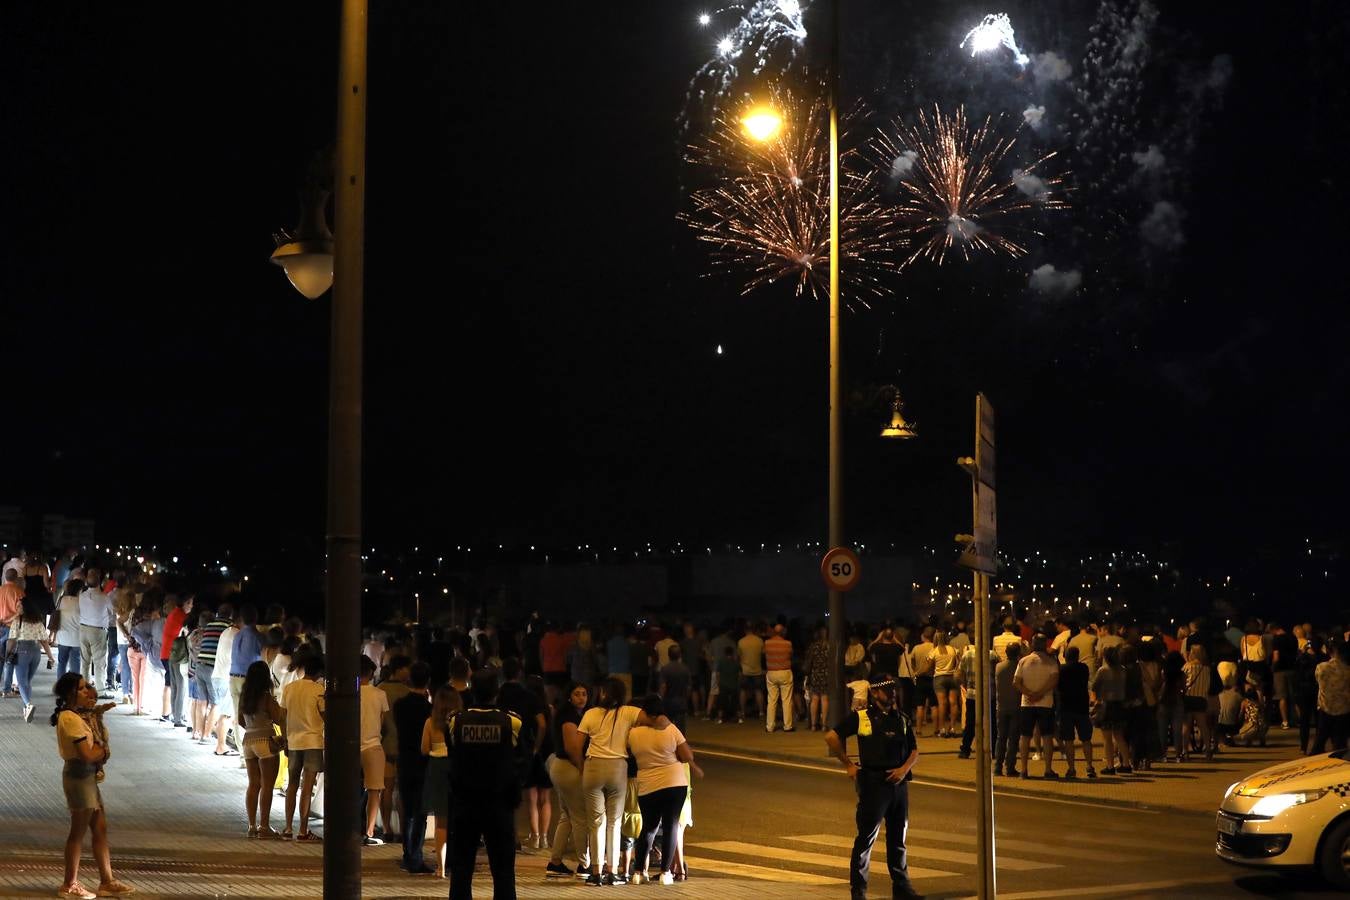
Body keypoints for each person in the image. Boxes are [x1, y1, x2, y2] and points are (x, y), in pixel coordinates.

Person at [824, 673, 923, 900]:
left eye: (894, 690)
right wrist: (849, 764)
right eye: (887, 691)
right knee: (866, 839)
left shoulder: (902, 718)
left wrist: (904, 770)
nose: (892, 694)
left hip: (898, 785)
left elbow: (914, 751)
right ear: (875, 693)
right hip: (873, 784)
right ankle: (858, 892)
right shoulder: (862, 717)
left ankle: (902, 890)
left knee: (898, 840)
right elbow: (831, 737)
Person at [51, 673, 134, 899]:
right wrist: (103, 751)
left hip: (87, 778)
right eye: (81, 688)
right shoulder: (69, 718)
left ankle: (107, 880)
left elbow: (95, 749)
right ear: (70, 694)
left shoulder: (81, 715)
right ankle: (69, 884)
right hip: (78, 777)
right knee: (77, 832)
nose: (87, 691)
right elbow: (87, 754)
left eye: (87, 686)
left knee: (99, 828)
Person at [448, 669, 524, 900]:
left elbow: (453, 758)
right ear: (497, 692)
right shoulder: (512, 721)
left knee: (461, 870)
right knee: (503, 872)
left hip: (465, 803)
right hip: (499, 804)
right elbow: (520, 761)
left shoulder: (455, 721)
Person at [570, 676, 645, 886]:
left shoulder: (591, 713)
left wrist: (581, 766)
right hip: (617, 767)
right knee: (614, 822)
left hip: (593, 766)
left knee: (596, 822)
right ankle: (612, 872)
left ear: (603, 693)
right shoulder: (629, 712)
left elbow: (577, 744)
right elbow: (649, 719)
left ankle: (596, 872)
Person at [627, 694, 703, 886]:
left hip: (647, 785)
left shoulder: (634, 733)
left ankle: (638, 872)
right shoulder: (671, 729)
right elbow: (686, 755)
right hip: (674, 784)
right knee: (671, 826)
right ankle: (665, 873)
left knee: (649, 827)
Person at [545, 681, 591, 878]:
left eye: (584, 694)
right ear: (569, 696)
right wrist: (582, 768)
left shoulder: (572, 714)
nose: (581, 697)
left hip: (560, 767)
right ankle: (585, 864)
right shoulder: (569, 716)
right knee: (580, 818)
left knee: (567, 816)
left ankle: (555, 862)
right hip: (568, 767)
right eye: (577, 694)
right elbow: (572, 747)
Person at [393, 661, 435, 874]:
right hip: (423, 762)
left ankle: (408, 854)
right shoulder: (430, 709)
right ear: (427, 682)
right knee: (420, 813)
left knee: (407, 810)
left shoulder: (399, 705)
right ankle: (415, 856)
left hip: (404, 760)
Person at [237, 659, 286, 838]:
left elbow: (240, 720)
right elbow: (279, 717)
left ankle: (251, 826)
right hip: (265, 741)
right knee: (267, 785)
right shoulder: (266, 697)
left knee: (253, 785)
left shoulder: (245, 697)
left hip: (248, 741)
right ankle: (264, 827)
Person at [281, 648, 325, 841]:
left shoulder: (290, 688)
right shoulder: (318, 690)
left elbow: (283, 715)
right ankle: (303, 830)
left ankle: (288, 827)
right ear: (319, 673)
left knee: (292, 785)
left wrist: (285, 738)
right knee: (307, 787)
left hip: (293, 741)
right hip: (313, 741)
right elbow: (325, 715)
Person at [421, 683, 461, 878]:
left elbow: (423, 748)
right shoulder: (460, 721)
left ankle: (441, 867)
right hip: (457, 767)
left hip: (436, 768)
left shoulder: (430, 722)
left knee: (441, 822)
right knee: (459, 818)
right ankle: (459, 862)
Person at [1014, 633, 1059, 779]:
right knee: (1047, 736)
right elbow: (1054, 680)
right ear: (1045, 644)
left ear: (1033, 644)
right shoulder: (1051, 662)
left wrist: (1029, 694)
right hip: (1045, 704)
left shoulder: (1024, 661)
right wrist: (1040, 693)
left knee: (1025, 736)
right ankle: (1047, 769)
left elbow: (1016, 682)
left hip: (1027, 704)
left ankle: (1024, 770)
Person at [358, 654, 391, 845]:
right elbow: (384, 723)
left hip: (351, 747)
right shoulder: (380, 694)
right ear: (371, 673)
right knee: (374, 791)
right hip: (373, 746)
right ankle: (369, 831)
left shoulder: (350, 692)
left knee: (350, 791)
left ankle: (349, 828)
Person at [11, 594, 56, 722]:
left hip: (22, 651)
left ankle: (28, 705)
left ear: (25, 608)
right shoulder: (38, 622)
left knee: (21, 682)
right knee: (27, 682)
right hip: (36, 652)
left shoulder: (17, 621)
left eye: (19, 605)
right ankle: (26, 709)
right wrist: (50, 657)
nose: (17, 607)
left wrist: (8, 652)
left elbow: (12, 640)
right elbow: (44, 641)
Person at [1091, 645, 1132, 774]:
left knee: (1107, 738)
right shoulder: (1123, 670)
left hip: (1106, 705)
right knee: (1119, 737)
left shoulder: (1103, 671)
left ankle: (1110, 766)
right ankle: (1126, 763)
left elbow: (1094, 686)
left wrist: (1095, 700)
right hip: (1120, 704)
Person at [77, 569, 114, 695]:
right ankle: (100, 689)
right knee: (99, 661)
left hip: (83, 629)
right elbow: (112, 612)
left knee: (85, 661)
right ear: (100, 582)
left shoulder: (81, 596)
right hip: (98, 631)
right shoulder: (105, 597)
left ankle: (85, 688)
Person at [993, 643, 1022, 777]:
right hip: (1016, 706)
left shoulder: (999, 666)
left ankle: (997, 767)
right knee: (1013, 739)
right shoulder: (1020, 666)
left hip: (1001, 706)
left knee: (1001, 737)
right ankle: (1010, 767)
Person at [763, 624, 795, 733]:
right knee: (786, 700)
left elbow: (764, 654)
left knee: (771, 700)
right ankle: (787, 726)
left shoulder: (767, 643)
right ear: (783, 632)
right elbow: (790, 655)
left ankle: (770, 726)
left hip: (771, 672)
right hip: (785, 671)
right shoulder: (788, 644)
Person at [53, 579, 84, 679]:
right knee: (75, 664)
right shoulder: (81, 602)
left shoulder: (62, 600)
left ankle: (60, 687)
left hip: (62, 637)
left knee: (62, 663)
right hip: (76, 638)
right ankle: (73, 688)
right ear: (79, 590)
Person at [805, 625, 831, 731]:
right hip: (826, 674)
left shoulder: (813, 646)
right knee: (825, 699)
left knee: (815, 698)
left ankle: (813, 725)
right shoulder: (830, 646)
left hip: (815, 674)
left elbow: (809, 662)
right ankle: (824, 725)